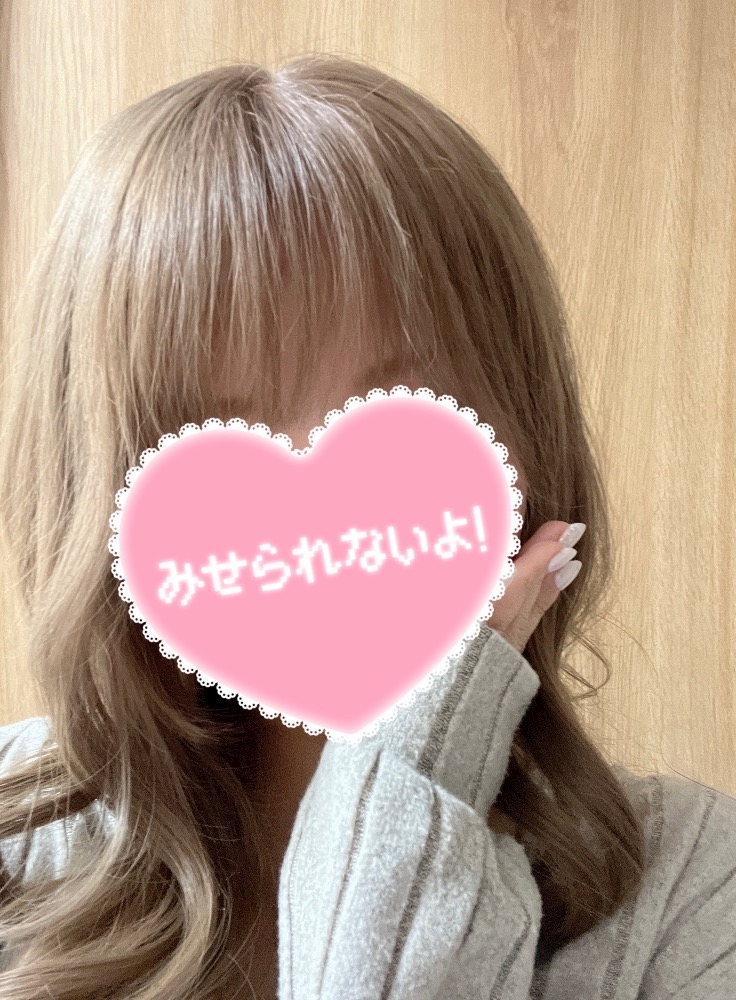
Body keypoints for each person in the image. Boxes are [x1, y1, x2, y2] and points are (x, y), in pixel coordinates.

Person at [0, 56, 733, 1000]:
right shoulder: (17, 844)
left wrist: (413, 774)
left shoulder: (688, 887)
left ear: (523, 428)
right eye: (212, 428)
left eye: (402, 404)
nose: (320, 498)